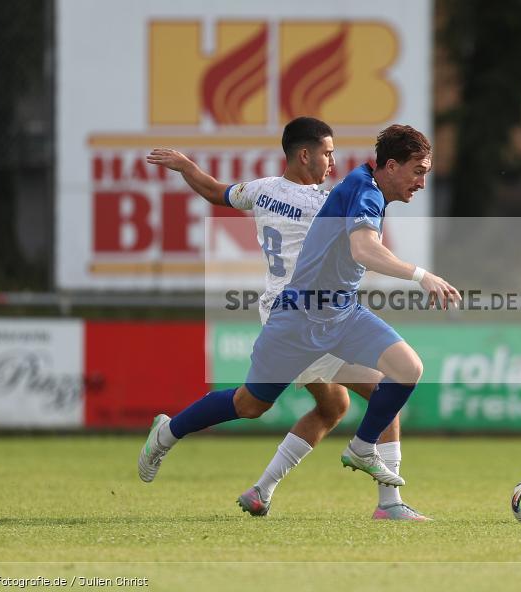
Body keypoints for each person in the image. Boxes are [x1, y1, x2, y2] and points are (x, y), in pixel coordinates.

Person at [143, 117, 429, 521]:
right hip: (303, 315)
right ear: (305, 154)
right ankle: (388, 503)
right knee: (377, 394)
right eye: (328, 153)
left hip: (291, 308)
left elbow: (215, 192)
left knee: (327, 405)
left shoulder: (260, 191)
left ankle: (259, 488)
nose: (333, 161)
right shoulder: (324, 202)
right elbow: (357, 239)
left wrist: (187, 166)